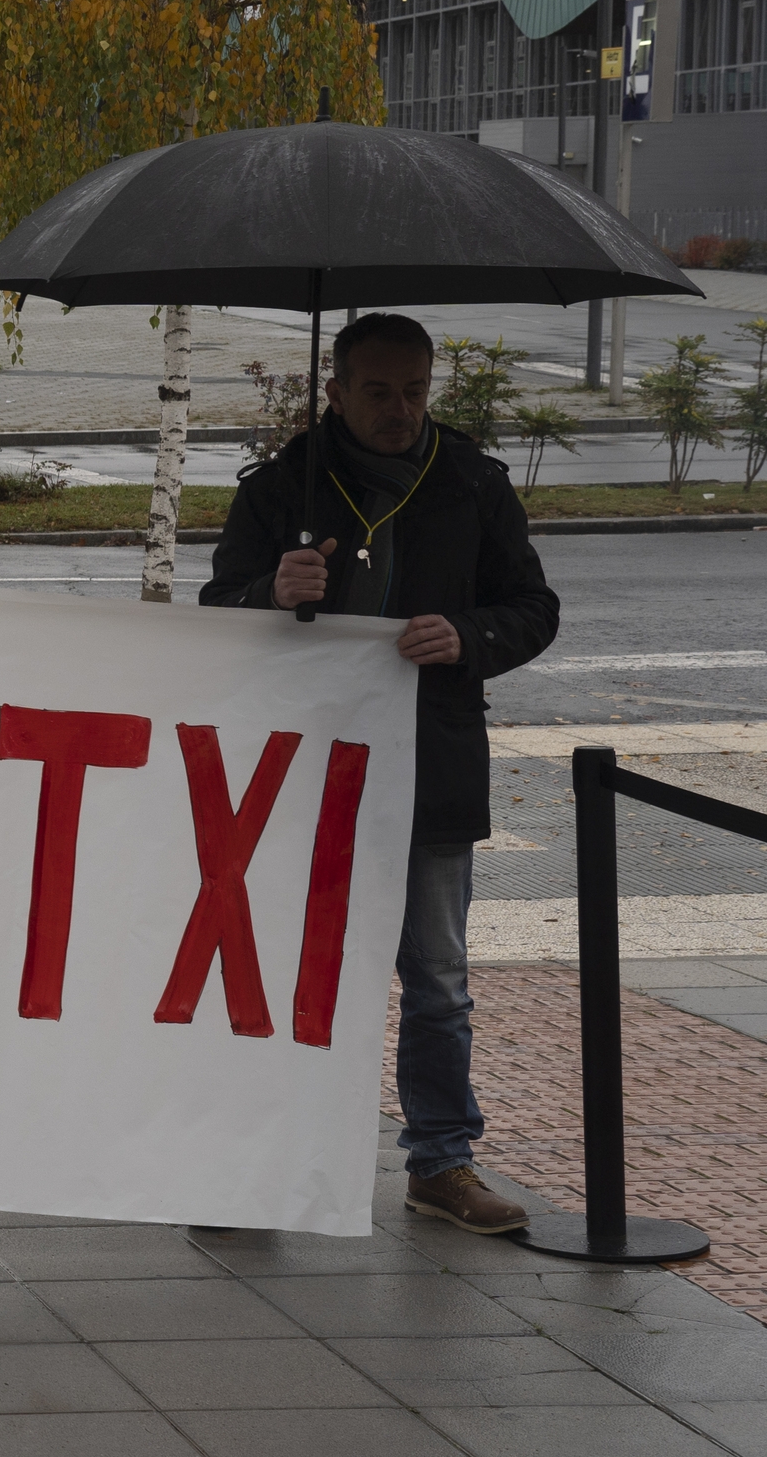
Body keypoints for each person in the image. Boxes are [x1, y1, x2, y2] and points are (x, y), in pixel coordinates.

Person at [200, 312, 558, 1236]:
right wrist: (268, 597)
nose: (399, 411)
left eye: (414, 391)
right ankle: (253, 1168)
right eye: (377, 392)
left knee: (437, 978)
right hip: (301, 774)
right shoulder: (283, 488)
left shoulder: (471, 481)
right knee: (276, 975)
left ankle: (440, 1163)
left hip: (429, 767)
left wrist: (469, 637)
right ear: (335, 391)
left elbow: (532, 606)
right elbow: (215, 616)